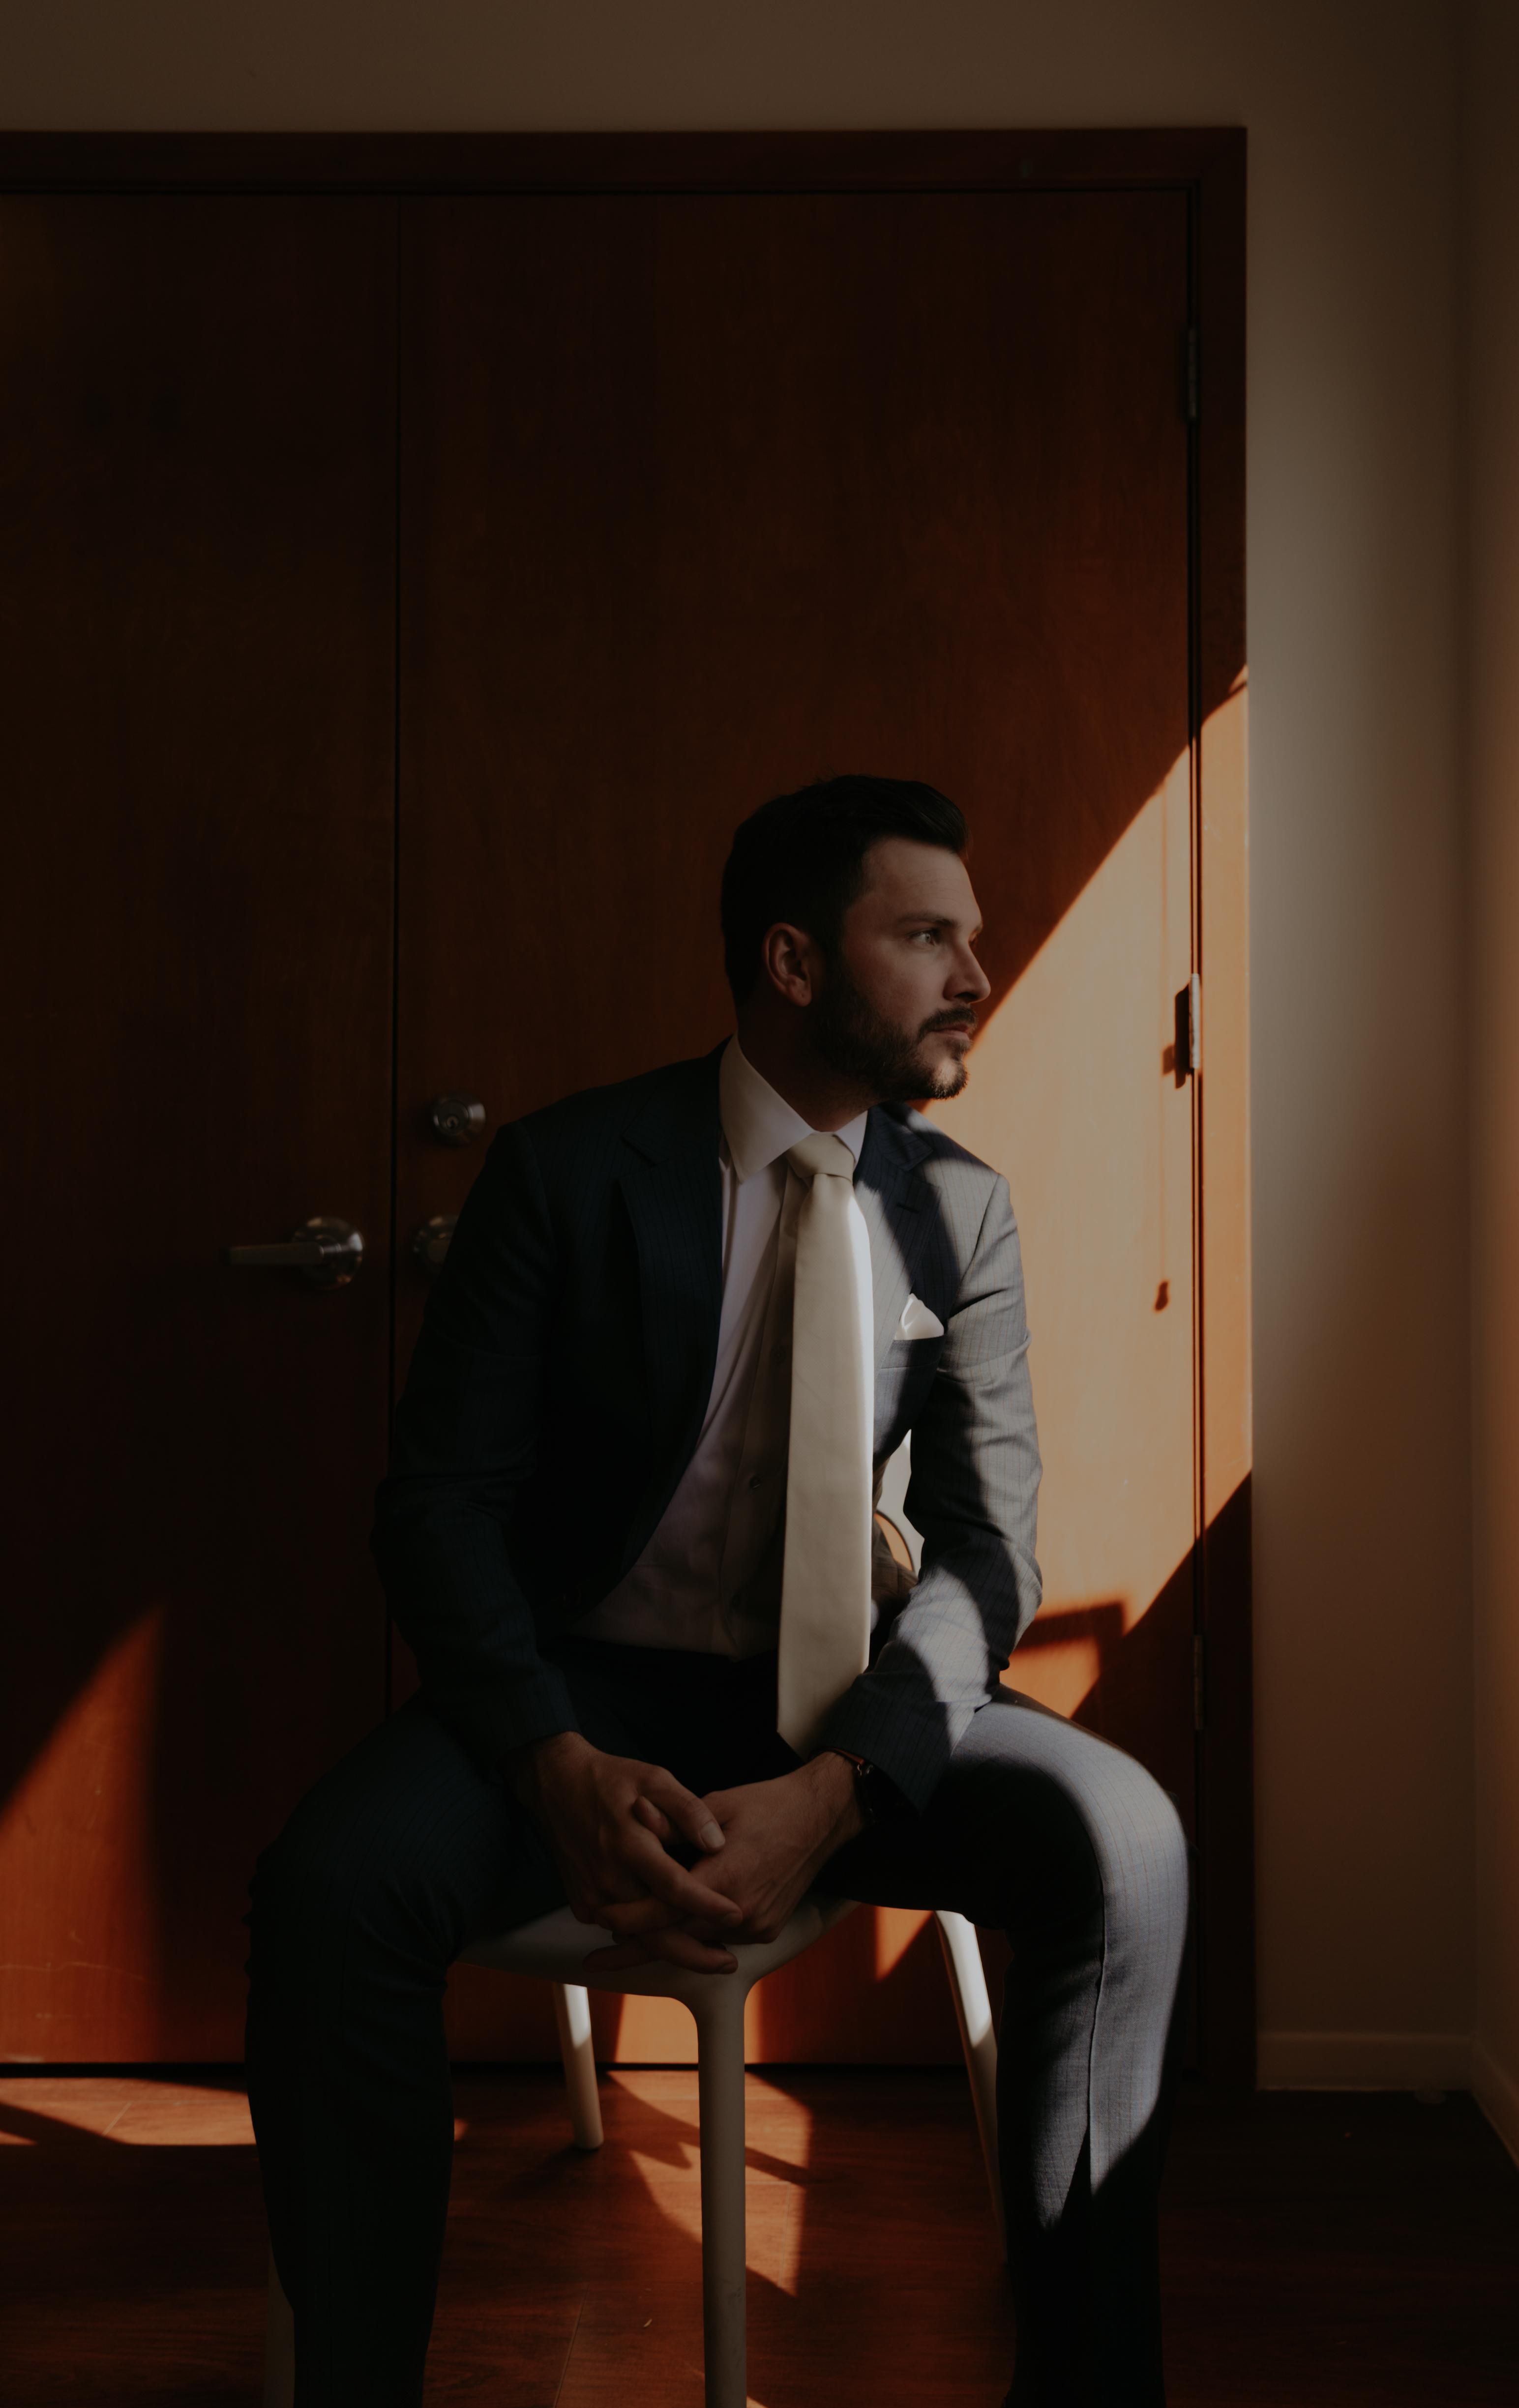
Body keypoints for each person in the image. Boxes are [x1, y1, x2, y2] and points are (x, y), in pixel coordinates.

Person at [246, 774, 1189, 2406]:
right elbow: (439, 1505)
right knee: (331, 1888)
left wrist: (839, 1790)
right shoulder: (566, 1171)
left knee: (1123, 1848)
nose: (974, 973)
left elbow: (984, 1548)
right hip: (584, 1691)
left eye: (970, 938)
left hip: (845, 1706)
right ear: (793, 962)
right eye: (926, 935)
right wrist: (550, 1759)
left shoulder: (956, 1206)